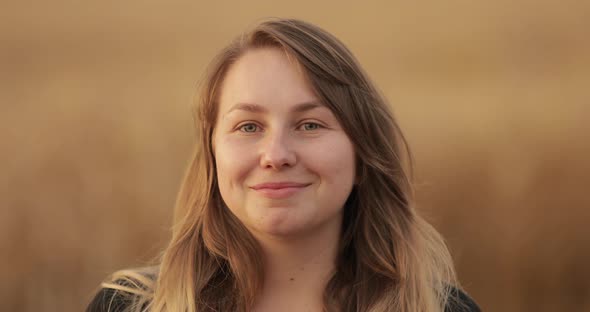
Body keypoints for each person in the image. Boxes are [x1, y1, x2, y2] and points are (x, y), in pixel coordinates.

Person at [87, 18, 480, 312]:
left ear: (363, 153)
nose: (276, 155)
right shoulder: (125, 307)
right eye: (248, 126)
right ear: (212, 156)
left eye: (310, 125)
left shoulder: (442, 308)